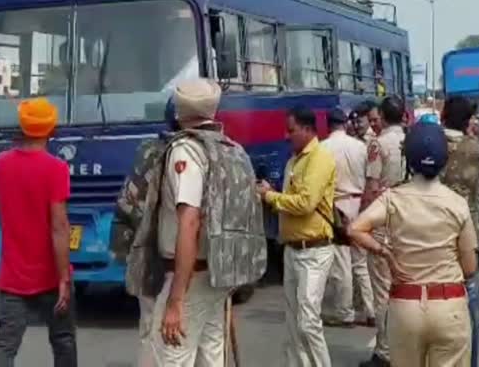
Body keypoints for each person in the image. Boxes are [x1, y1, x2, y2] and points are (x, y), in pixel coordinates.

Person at [143, 79, 266, 365]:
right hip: (220, 273)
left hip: (190, 276)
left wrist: (176, 301)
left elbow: (189, 222)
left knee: (172, 356)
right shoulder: (232, 149)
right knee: (211, 356)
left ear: (180, 110)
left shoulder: (186, 150)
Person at [349, 122, 478, 367]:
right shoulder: (457, 203)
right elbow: (470, 268)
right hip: (449, 307)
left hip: (405, 306)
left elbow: (354, 228)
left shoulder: (393, 198)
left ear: (408, 158)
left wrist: (384, 252)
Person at [0, 98, 76, 366]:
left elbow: (1, 213)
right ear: (51, 129)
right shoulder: (56, 169)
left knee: (6, 344)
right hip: (49, 274)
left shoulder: (2, 163)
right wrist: (63, 278)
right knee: (63, 341)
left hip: (13, 274)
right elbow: (59, 227)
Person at [257, 106, 336, 367]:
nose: (286, 135)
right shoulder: (293, 160)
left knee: (308, 321)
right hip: (292, 250)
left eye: (291, 130)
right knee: (293, 323)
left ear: (307, 129)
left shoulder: (321, 158)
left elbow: (305, 203)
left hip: (314, 250)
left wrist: (270, 196)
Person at [117, 98, 179, 366]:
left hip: (149, 256)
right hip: (189, 262)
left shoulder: (148, 151)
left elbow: (126, 204)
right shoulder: (203, 151)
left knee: (150, 329)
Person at [439, 96, 479, 366]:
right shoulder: (478, 150)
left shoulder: (428, 143)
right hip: (465, 239)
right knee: (467, 298)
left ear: (443, 115)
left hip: (429, 240)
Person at [360, 95, 406, 367]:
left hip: (383, 220)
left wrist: (361, 219)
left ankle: (385, 352)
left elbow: (372, 186)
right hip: (407, 219)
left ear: (384, 118)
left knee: (382, 289)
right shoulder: (409, 140)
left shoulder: (379, 144)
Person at [320, 108, 375, 329]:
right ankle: (371, 311)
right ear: (345, 124)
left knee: (342, 261)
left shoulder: (323, 148)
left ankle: (344, 312)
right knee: (360, 262)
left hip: (337, 206)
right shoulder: (360, 147)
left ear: (328, 125)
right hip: (360, 203)